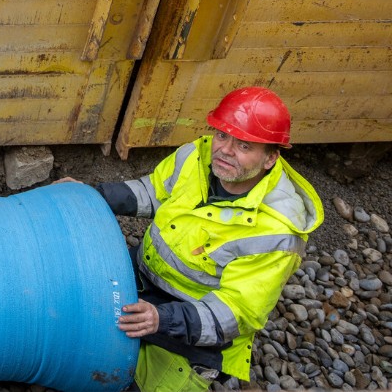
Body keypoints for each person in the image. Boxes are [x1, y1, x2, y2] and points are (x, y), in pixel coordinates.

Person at [63, 86, 323, 392]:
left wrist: (161, 318)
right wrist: (91, 196)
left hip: (194, 324)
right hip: (145, 275)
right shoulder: (195, 156)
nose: (225, 150)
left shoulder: (277, 232)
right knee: (67, 316)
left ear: (270, 159)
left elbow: (235, 312)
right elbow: (152, 192)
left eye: (243, 146)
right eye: (222, 135)